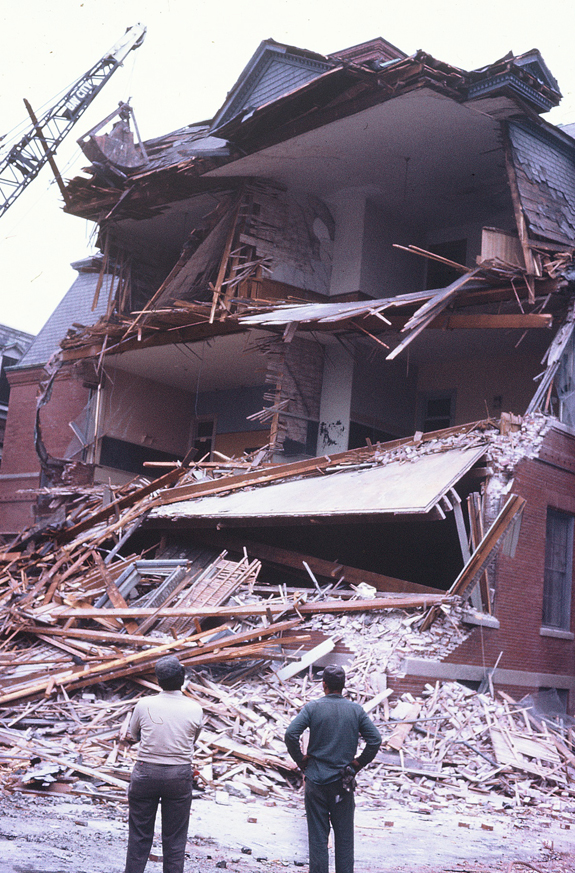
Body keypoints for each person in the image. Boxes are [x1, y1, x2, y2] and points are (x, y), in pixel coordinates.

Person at [284, 664, 381, 873]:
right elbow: (375, 740)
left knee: (318, 836)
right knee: (344, 837)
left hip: (316, 780)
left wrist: (301, 760)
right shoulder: (355, 710)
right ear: (343, 686)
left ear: (324, 684)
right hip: (342, 783)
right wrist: (357, 764)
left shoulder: (313, 707)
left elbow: (291, 734)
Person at [123, 655, 203, 873]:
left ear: (158, 681)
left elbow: (134, 734)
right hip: (178, 775)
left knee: (139, 836)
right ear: (182, 678)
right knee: (175, 840)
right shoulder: (195, 708)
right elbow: (192, 740)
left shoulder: (144, 704)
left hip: (145, 772)